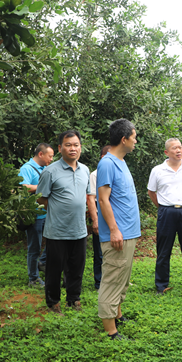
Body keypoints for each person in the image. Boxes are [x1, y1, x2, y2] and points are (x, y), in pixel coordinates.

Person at [36, 130, 91, 314]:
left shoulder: (85, 170)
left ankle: (73, 299)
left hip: (79, 230)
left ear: (80, 147)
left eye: (76, 145)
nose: (72, 148)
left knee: (76, 268)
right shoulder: (50, 172)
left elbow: (86, 196)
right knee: (54, 269)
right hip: (56, 231)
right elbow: (41, 199)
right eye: (68, 145)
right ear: (60, 148)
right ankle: (53, 302)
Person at [97, 119, 141, 341]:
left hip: (128, 233)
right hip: (118, 235)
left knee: (122, 278)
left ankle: (118, 315)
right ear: (124, 139)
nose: (135, 141)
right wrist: (114, 230)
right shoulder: (107, 163)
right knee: (112, 279)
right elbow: (103, 201)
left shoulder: (121, 162)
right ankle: (111, 331)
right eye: (134, 137)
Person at [147, 138, 182, 296]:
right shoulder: (157, 170)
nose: (178, 150)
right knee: (163, 250)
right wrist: (163, 207)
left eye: (180, 147)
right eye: (174, 148)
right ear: (166, 152)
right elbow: (152, 192)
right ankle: (161, 285)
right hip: (166, 213)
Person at [19, 143, 55, 288]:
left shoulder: (46, 169)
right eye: (50, 156)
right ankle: (33, 278)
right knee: (34, 248)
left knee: (53, 242)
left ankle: (42, 263)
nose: (52, 159)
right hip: (34, 216)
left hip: (48, 214)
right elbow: (23, 187)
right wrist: (42, 188)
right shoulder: (26, 169)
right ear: (41, 154)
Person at [86, 145, 111, 290]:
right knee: (99, 251)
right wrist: (95, 220)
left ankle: (114, 280)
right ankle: (99, 281)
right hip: (100, 214)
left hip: (115, 215)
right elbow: (91, 199)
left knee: (115, 250)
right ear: (103, 157)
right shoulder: (95, 175)